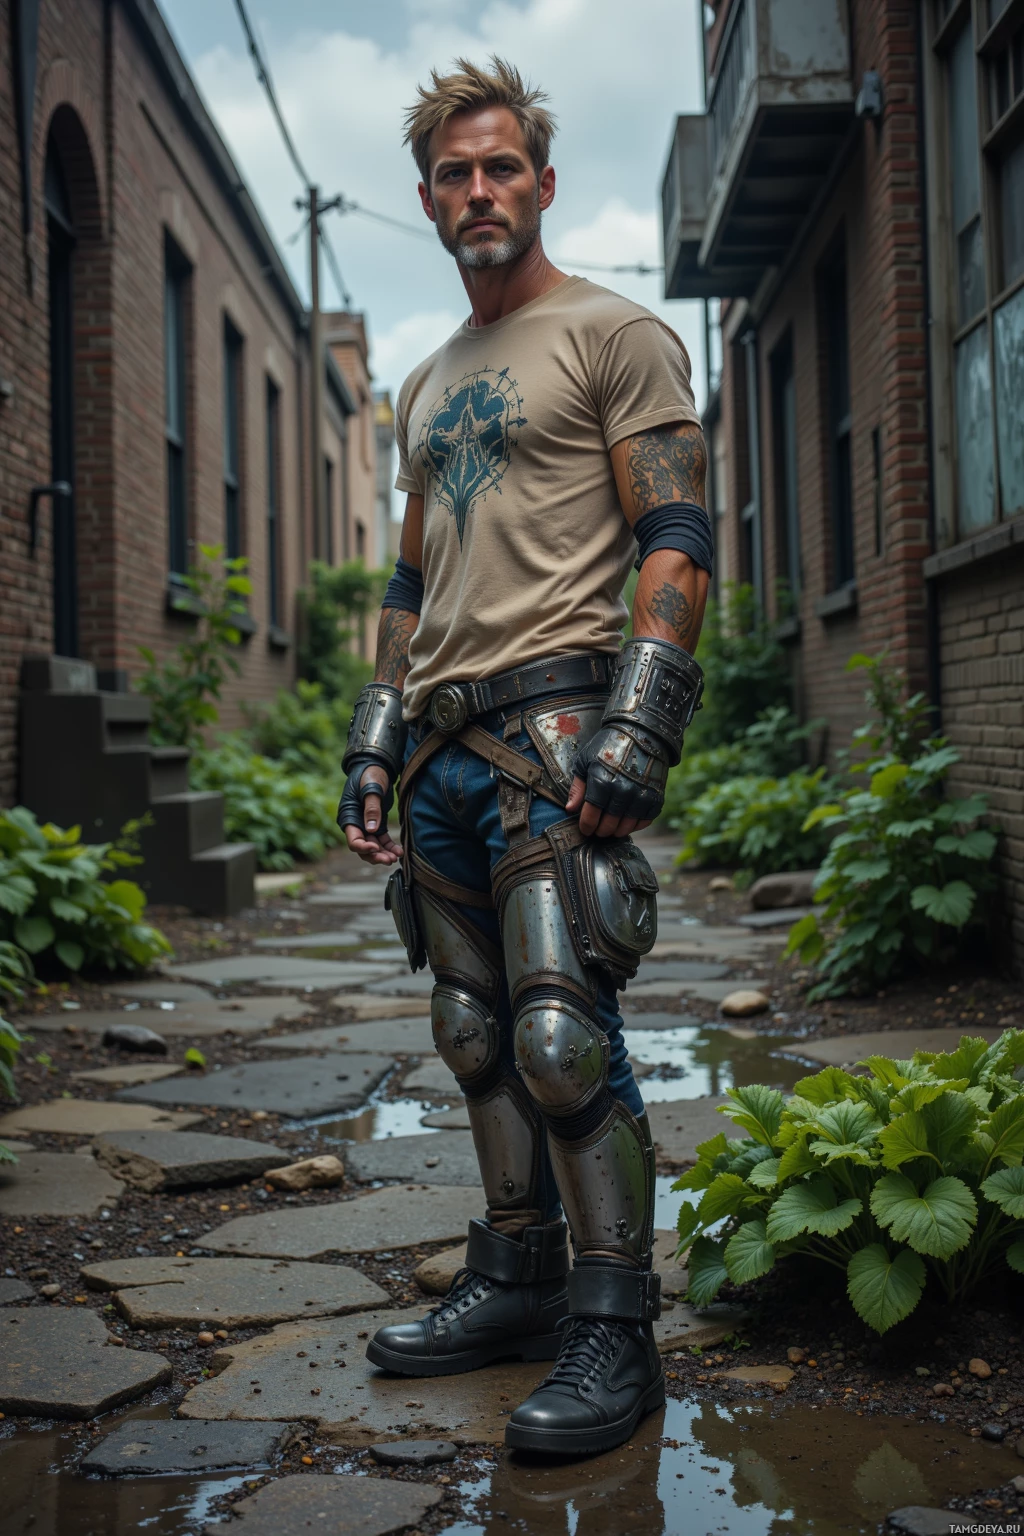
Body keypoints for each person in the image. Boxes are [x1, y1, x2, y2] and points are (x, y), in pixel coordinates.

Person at [338, 56, 712, 1458]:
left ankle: (616, 1334)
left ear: (542, 183)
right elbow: (408, 581)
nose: (479, 190)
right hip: (436, 743)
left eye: (501, 167)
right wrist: (374, 745)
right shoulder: (426, 385)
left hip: (555, 736)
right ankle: (515, 1281)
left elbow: (678, 533)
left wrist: (642, 721)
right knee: (474, 1036)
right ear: (427, 197)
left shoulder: (617, 335)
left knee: (565, 1042)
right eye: (454, 172)